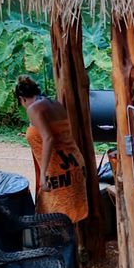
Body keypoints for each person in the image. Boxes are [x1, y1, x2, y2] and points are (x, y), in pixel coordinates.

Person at [15, 76, 89, 223]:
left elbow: (49, 138)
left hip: (58, 171)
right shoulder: (55, 103)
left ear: (22, 98)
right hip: (75, 164)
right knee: (70, 215)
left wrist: (43, 175)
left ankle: (61, 246)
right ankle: (74, 245)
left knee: (54, 218)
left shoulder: (33, 109)